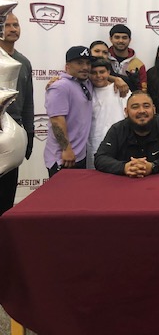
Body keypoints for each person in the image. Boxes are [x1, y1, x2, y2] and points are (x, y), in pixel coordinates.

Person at [94, 91, 159, 176]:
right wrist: (124, 167)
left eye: (146, 106)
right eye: (135, 107)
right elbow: (100, 158)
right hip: (125, 185)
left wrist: (153, 167)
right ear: (126, 112)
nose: (141, 111)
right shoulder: (117, 129)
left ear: (154, 109)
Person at [0, 12, 34, 215]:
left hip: (14, 134)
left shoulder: (24, 62)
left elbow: (28, 100)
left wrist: (29, 132)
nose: (13, 29)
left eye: (16, 24)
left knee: (7, 195)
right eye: (8, 25)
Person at [44, 46, 94, 177]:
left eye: (88, 63)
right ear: (67, 66)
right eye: (79, 63)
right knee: (61, 197)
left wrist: (116, 79)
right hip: (64, 158)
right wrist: (66, 149)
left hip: (80, 156)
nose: (85, 67)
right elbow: (56, 121)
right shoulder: (60, 86)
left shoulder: (85, 82)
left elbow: (103, 75)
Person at [86, 58, 129, 169]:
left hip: (121, 143)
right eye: (94, 73)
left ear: (108, 72)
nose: (98, 76)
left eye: (102, 72)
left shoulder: (121, 89)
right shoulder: (85, 90)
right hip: (94, 144)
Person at [107, 24, 147, 91]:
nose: (121, 41)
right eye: (117, 37)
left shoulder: (138, 64)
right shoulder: (104, 59)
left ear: (130, 40)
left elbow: (142, 90)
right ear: (111, 39)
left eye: (124, 38)